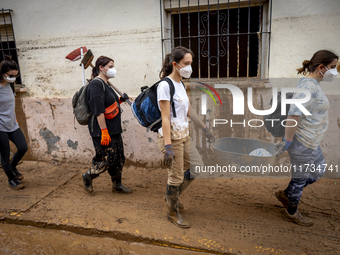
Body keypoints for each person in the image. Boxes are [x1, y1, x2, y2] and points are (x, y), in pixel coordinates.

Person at [275, 50, 339, 226]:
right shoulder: (308, 87)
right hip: (302, 141)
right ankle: (292, 212)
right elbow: (294, 116)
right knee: (300, 178)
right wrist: (287, 141)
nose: (335, 71)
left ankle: (286, 194)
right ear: (321, 67)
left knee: (319, 170)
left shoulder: (312, 84)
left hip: (311, 140)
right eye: (333, 67)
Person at [157, 46, 215, 228]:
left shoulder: (181, 83)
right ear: (175, 64)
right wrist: (167, 147)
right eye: (186, 63)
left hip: (184, 135)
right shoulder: (165, 85)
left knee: (197, 167)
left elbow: (188, 110)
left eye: (191, 63)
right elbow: (165, 118)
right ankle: (173, 212)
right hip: (171, 138)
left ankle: (170, 196)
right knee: (176, 177)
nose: (190, 67)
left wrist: (205, 128)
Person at [81, 56, 131, 194]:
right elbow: (98, 111)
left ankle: (117, 184)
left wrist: (120, 100)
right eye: (110, 67)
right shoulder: (96, 84)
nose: (113, 69)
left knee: (119, 158)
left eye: (113, 66)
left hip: (114, 128)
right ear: (101, 68)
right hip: (102, 129)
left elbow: (108, 105)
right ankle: (88, 176)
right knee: (108, 159)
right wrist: (104, 131)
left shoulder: (106, 83)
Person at [0, 55, 28, 190]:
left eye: (15, 75)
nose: (13, 78)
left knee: (23, 147)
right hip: (0, 127)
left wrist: (14, 118)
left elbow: (10, 105)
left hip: (12, 123)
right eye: (11, 75)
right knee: (5, 153)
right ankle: (11, 179)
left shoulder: (10, 86)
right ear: (2, 73)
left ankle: (13, 167)